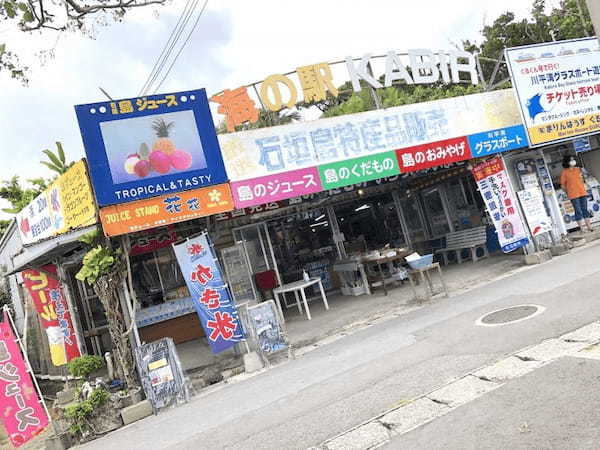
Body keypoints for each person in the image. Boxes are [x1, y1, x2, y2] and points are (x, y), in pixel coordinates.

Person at [560, 154, 593, 232]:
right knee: (578, 210)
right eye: (571, 160)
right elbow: (562, 185)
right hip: (573, 194)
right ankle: (582, 228)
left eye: (573, 159)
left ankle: (589, 226)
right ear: (567, 162)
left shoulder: (578, 169)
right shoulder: (564, 172)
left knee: (585, 209)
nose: (573, 161)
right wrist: (568, 192)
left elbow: (584, 178)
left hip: (582, 192)